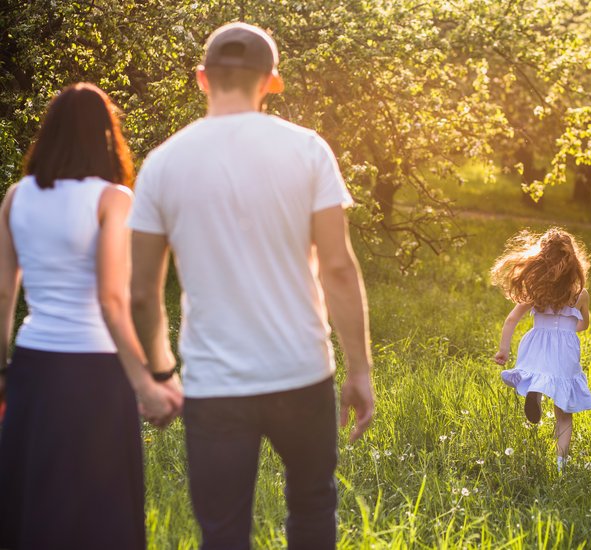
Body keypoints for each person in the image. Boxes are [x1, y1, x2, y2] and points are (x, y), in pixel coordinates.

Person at [127, 22, 375, 549]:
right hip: (302, 374)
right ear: (272, 83)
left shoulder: (162, 164)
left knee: (222, 530)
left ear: (202, 79)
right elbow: (338, 267)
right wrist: (360, 369)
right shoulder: (309, 150)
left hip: (216, 385)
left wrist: (161, 372)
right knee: (312, 511)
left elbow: (144, 291)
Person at [0, 83, 182, 550]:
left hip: (34, 365)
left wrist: (3, 371)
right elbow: (112, 300)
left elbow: (3, 292)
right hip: (95, 372)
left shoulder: (15, 197)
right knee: (101, 509)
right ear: (107, 136)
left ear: (50, 133)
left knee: (34, 502)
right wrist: (148, 383)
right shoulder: (113, 198)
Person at [491, 227, 591, 474]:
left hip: (536, 345)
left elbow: (511, 320)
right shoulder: (580, 295)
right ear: (574, 264)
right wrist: (569, 328)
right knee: (564, 413)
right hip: (565, 352)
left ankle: (535, 393)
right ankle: (560, 465)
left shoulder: (537, 292)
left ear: (540, 261)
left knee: (536, 375)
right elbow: (584, 325)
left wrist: (504, 350)